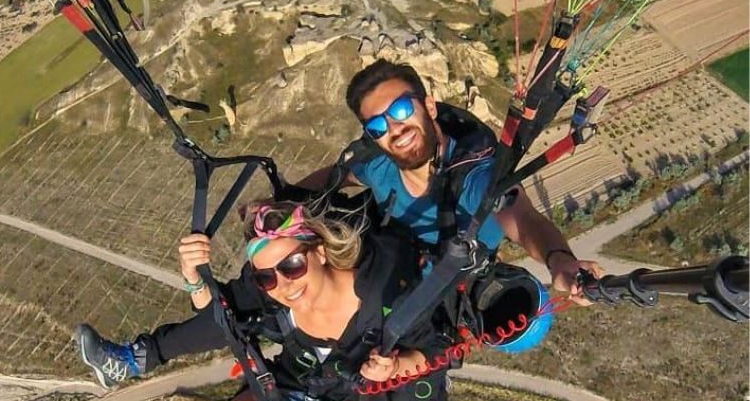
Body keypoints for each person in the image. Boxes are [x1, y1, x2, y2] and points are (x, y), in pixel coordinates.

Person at [296, 59, 604, 340]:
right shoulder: (378, 166)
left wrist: (560, 261)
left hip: (428, 303)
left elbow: (523, 221)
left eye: (401, 110)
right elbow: (340, 176)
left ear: (429, 107)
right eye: (377, 126)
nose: (395, 129)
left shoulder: (475, 178)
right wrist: (284, 202)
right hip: (385, 277)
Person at [77, 200, 450, 400]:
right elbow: (219, 314)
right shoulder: (272, 290)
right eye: (266, 275)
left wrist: (398, 366)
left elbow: (439, 348)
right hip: (302, 384)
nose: (283, 283)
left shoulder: (384, 289)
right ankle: (135, 359)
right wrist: (194, 279)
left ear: (319, 252)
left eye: (292, 265)